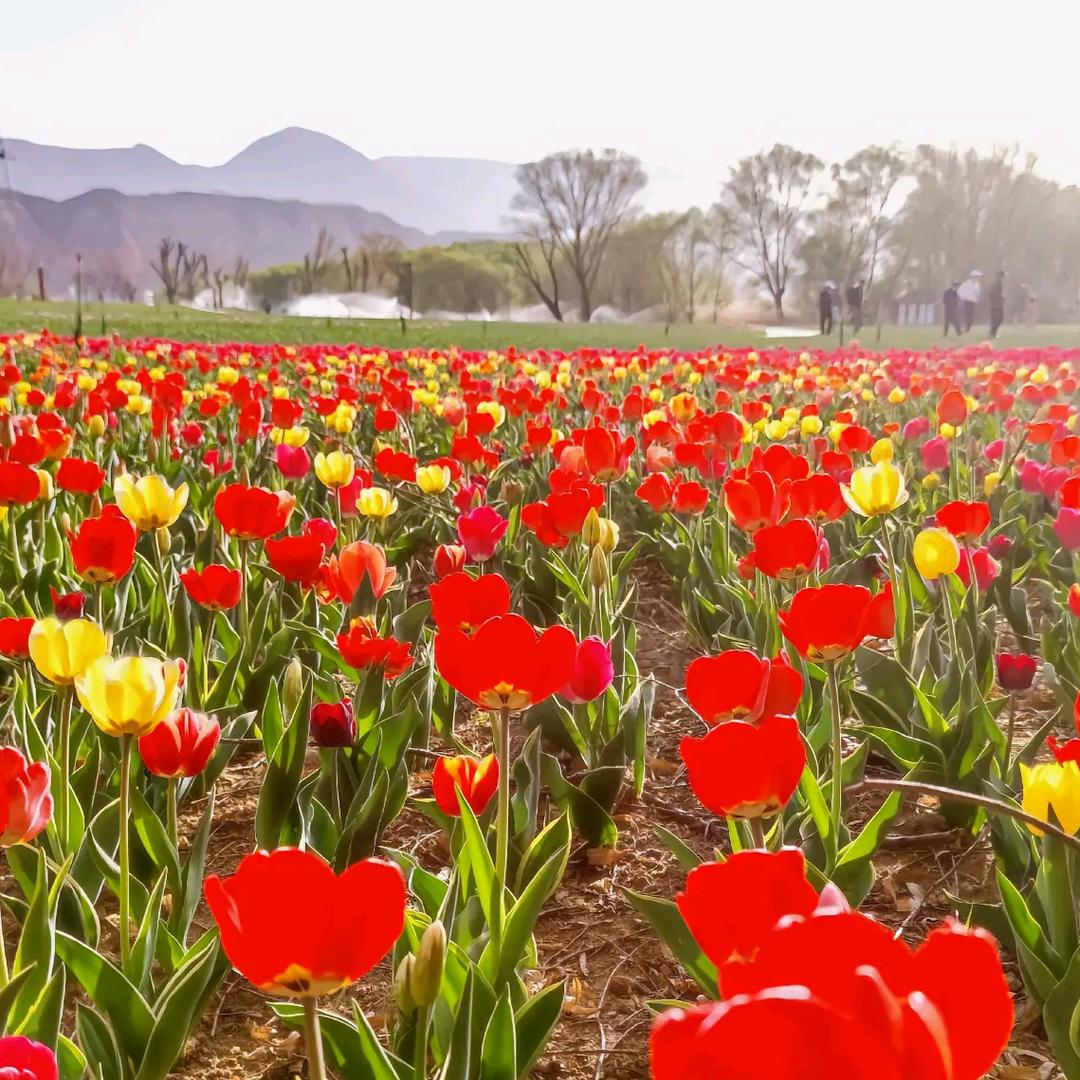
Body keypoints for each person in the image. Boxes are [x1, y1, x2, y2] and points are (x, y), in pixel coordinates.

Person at [989, 270, 1006, 338]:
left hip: (995, 305)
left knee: (996, 320)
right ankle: (993, 331)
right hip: (997, 305)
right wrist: (1002, 297)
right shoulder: (998, 284)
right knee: (999, 319)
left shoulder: (997, 283)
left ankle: (993, 331)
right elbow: (995, 294)